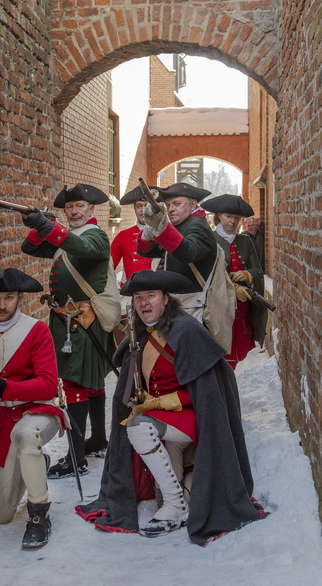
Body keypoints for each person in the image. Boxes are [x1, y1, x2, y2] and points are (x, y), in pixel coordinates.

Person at [76, 270, 266, 543]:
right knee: (160, 493)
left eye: (150, 296)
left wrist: (158, 403)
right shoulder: (140, 334)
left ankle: (177, 506)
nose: (143, 303)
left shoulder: (188, 330)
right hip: (163, 423)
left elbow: (207, 392)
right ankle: (182, 497)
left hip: (191, 420)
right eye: (138, 297)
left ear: (165, 299)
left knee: (138, 427)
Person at [0, 268, 65, 548]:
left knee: (26, 436)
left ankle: (39, 515)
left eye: (8, 297)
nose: (2, 305)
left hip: (37, 411)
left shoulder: (36, 330)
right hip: (2, 419)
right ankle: (34, 463)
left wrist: (3, 387)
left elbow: (47, 386)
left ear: (19, 297)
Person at [20, 183, 115, 477]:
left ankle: (76, 459)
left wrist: (51, 226)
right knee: (91, 383)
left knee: (75, 384)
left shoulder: (95, 235)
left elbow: (82, 249)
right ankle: (98, 439)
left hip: (85, 319)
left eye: (79, 207)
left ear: (91, 210)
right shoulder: (68, 236)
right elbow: (29, 247)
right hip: (68, 320)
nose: (74, 212)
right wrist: (37, 225)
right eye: (69, 208)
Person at [201, 195, 267, 369]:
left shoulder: (245, 241)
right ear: (219, 216)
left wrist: (248, 274)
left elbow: (258, 270)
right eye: (228, 216)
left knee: (240, 355)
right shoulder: (210, 240)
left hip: (243, 307)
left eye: (236, 218)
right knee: (222, 354)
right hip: (220, 308)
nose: (232, 221)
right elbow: (207, 274)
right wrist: (233, 284)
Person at [135, 182, 218, 317]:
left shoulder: (198, 226)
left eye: (177, 204)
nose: (170, 209)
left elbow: (188, 252)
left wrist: (162, 228)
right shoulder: (183, 225)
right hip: (177, 304)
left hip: (192, 306)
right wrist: (148, 232)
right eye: (168, 205)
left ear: (193, 204)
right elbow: (147, 251)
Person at [110, 185, 162, 283]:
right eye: (139, 206)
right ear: (134, 208)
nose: (143, 210)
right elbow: (108, 267)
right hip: (130, 292)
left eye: (147, 205)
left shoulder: (165, 234)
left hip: (157, 289)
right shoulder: (123, 235)